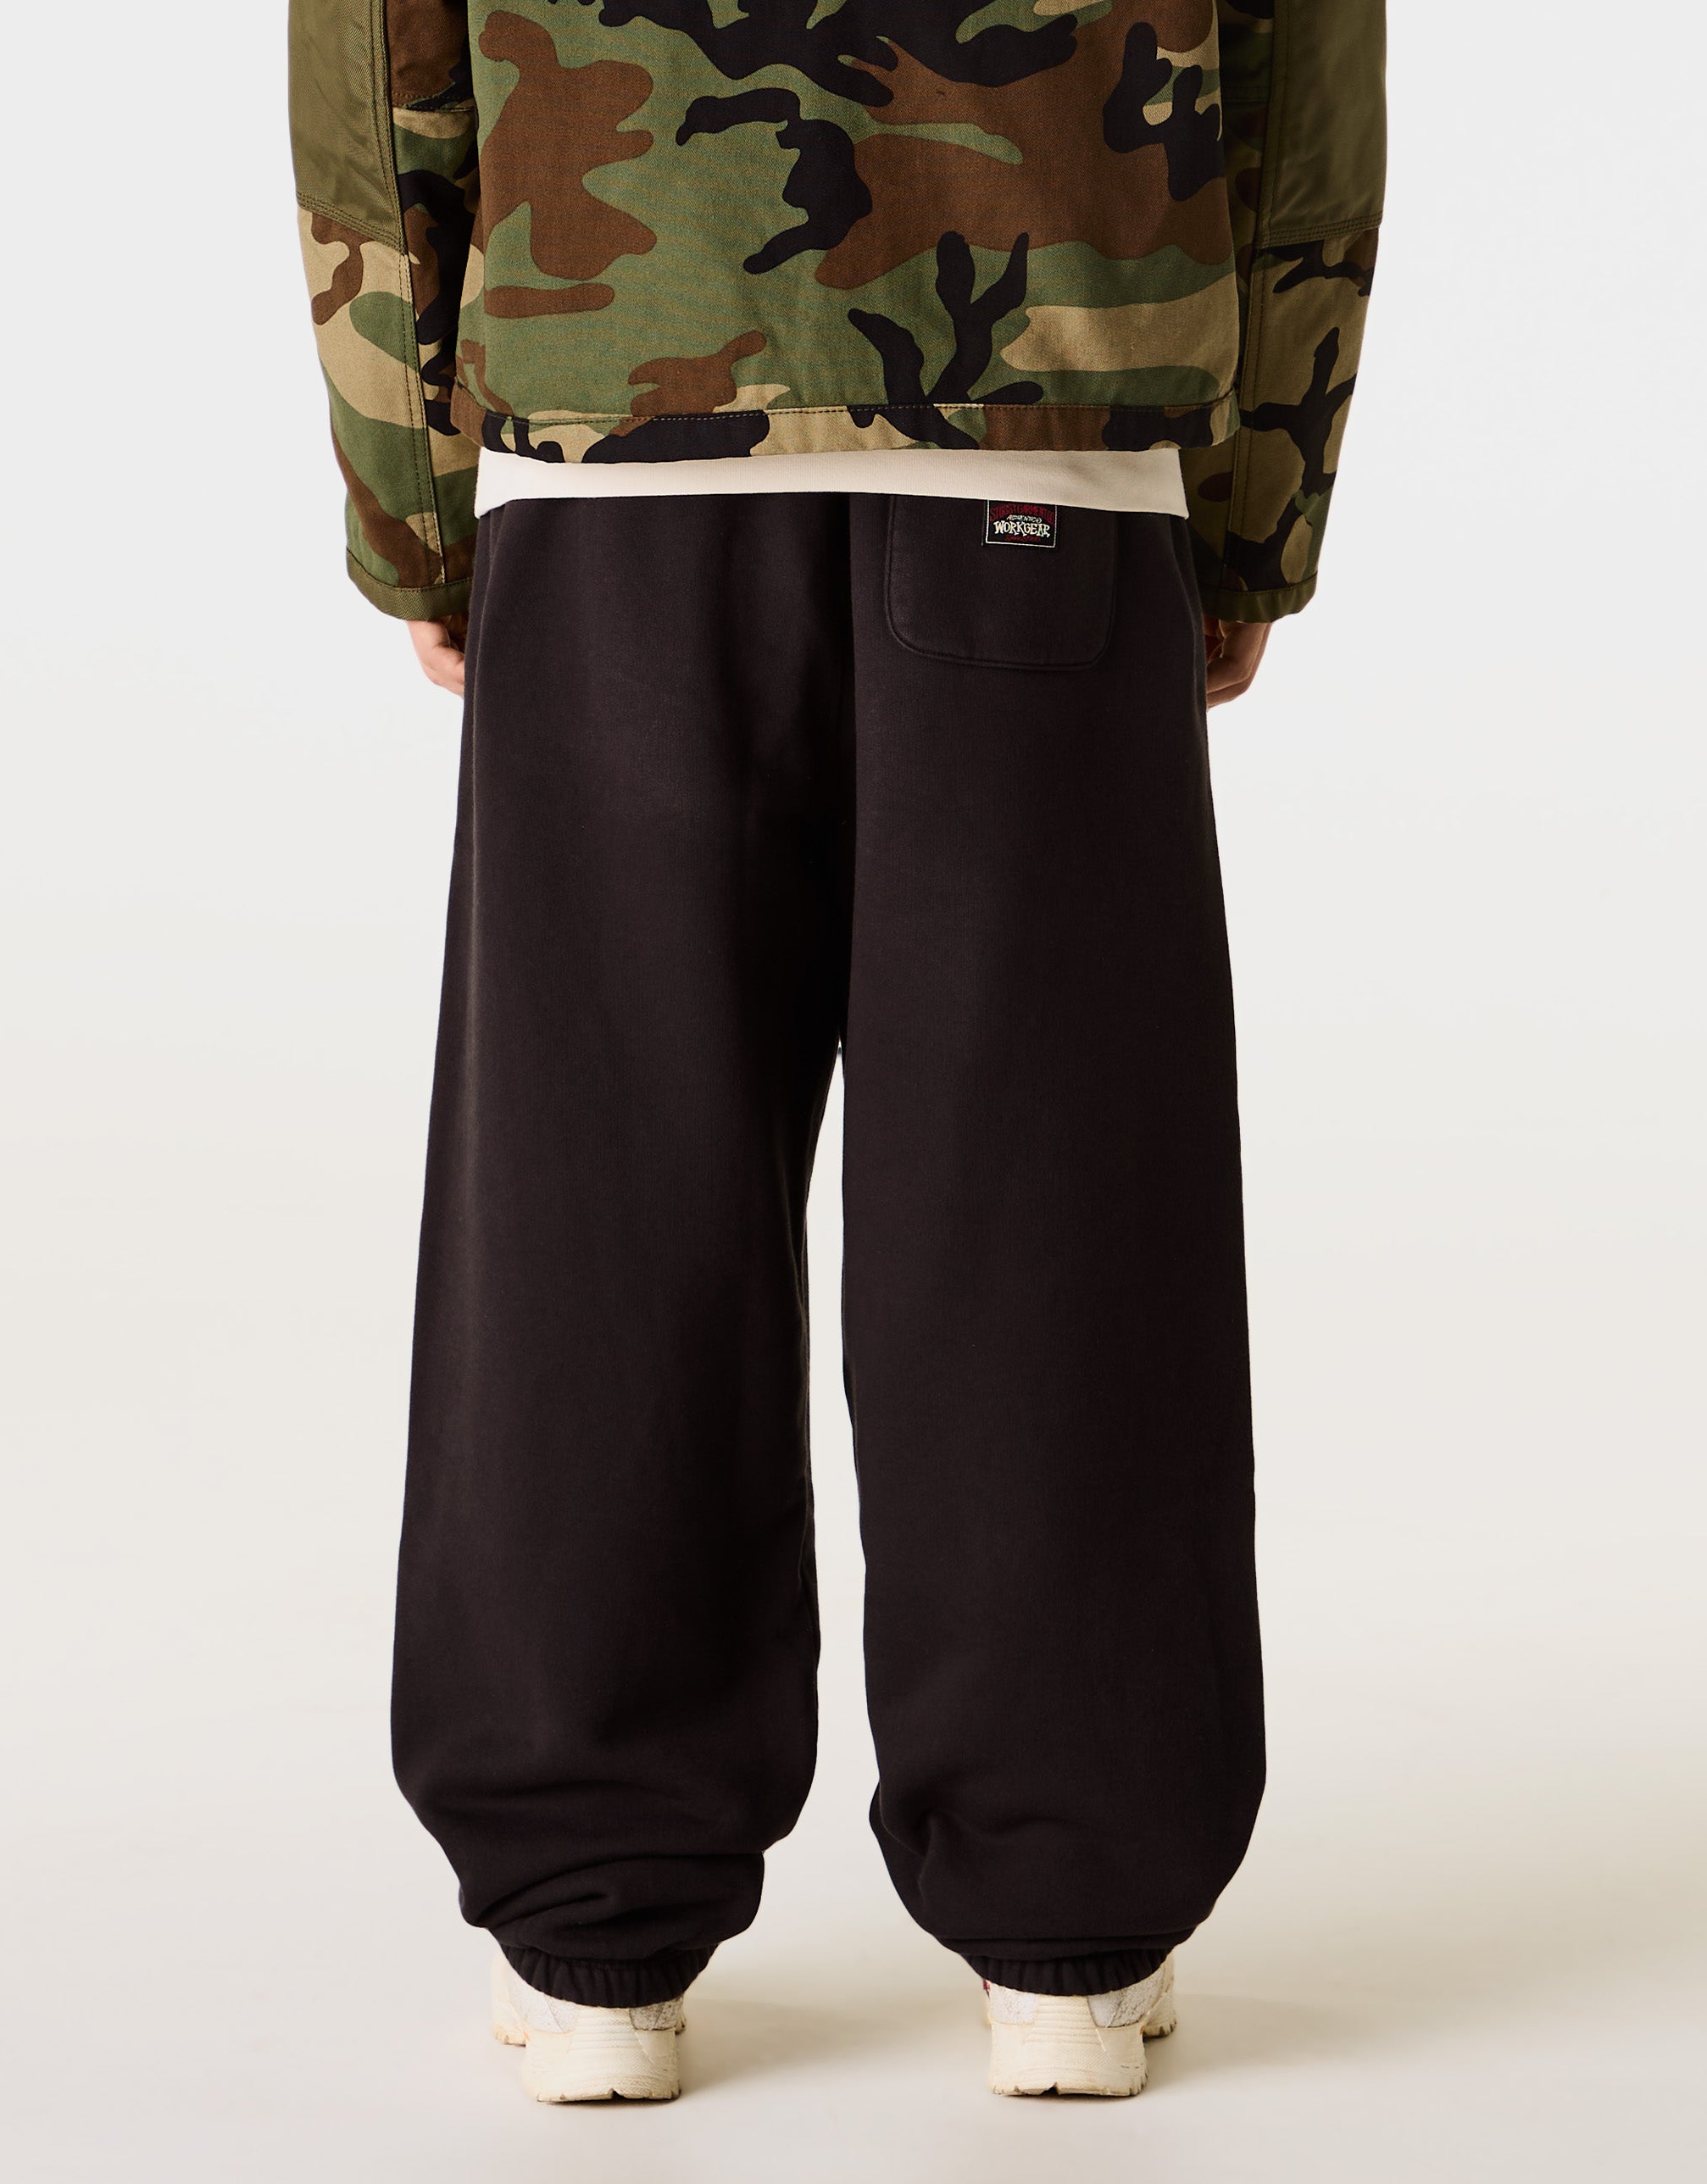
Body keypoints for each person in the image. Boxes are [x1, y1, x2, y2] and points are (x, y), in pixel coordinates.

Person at [289, 0, 1384, 2103]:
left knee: (602, 1190)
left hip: (613, 445)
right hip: (1054, 421)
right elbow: (1304, 88)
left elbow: (374, 64)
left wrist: (416, 502)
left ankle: (595, 1929)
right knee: (1045, 1191)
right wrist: (1251, 506)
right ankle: (1071, 1928)